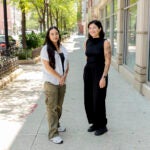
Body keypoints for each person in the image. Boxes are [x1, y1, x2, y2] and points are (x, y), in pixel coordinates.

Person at [40, 26, 69, 144]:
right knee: (51, 108)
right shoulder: (45, 49)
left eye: (56, 33)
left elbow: (67, 64)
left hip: (62, 82)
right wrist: (59, 77)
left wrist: (64, 76)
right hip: (51, 83)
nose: (55, 36)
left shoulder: (63, 48)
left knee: (59, 106)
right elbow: (47, 67)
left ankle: (57, 124)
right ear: (48, 36)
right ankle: (53, 134)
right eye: (52, 34)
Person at [83, 20, 111, 136]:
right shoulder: (87, 41)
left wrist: (103, 77)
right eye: (90, 28)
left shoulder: (105, 43)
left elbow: (108, 61)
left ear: (100, 28)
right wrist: (86, 71)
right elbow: (87, 57)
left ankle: (102, 125)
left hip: (99, 73)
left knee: (98, 99)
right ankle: (94, 122)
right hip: (88, 71)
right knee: (89, 98)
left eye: (94, 27)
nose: (92, 30)